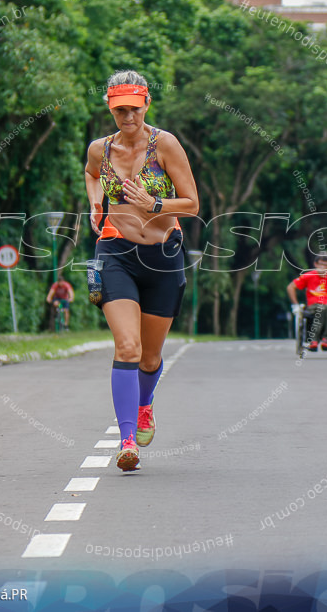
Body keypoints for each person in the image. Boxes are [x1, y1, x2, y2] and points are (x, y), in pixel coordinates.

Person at [84, 70, 199, 472]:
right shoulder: (100, 149)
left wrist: (154, 205)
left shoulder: (164, 144)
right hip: (115, 253)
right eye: (119, 110)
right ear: (110, 109)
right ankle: (127, 440)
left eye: (133, 109)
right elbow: (91, 174)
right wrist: (96, 201)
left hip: (162, 257)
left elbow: (191, 203)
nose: (127, 117)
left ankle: (145, 403)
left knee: (149, 358)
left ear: (147, 103)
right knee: (127, 349)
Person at [286, 252, 327, 352]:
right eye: (320, 264)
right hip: (313, 305)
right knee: (321, 308)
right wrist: (295, 305)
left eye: (325, 265)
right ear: (315, 264)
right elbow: (291, 287)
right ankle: (315, 339)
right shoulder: (308, 276)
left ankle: (325, 338)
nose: (322, 267)